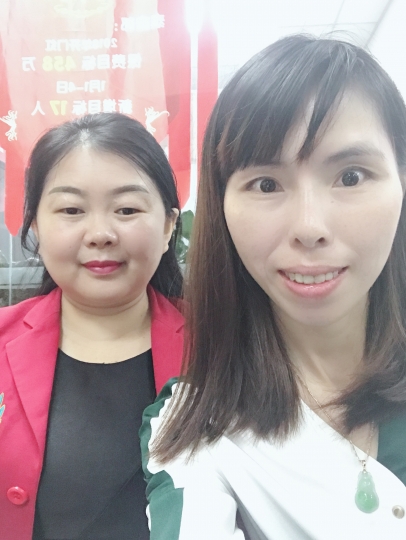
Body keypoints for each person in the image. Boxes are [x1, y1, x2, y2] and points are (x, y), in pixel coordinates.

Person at [141, 35, 406, 539]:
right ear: (221, 206)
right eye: (266, 184)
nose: (309, 227)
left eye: (351, 176)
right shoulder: (194, 424)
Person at [0, 112, 184, 540]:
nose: (100, 233)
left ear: (168, 226)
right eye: (71, 209)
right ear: (36, 225)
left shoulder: (226, 345)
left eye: (126, 209)